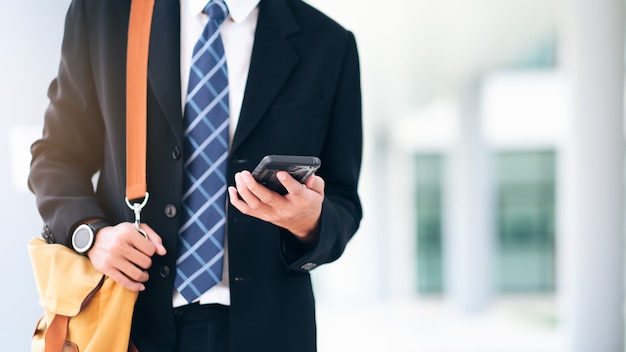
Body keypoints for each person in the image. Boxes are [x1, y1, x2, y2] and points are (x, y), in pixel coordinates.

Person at [28, 0, 362, 351]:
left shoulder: (328, 44)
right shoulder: (104, 13)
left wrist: (310, 221)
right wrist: (92, 235)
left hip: (271, 329)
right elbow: (56, 158)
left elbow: (343, 202)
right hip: (130, 326)